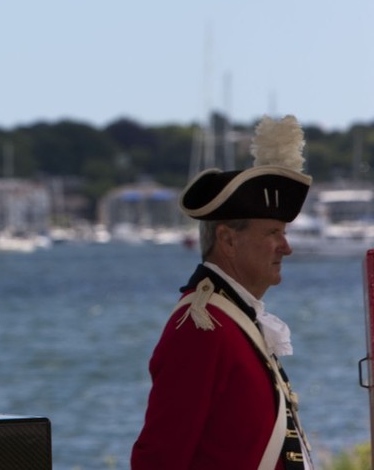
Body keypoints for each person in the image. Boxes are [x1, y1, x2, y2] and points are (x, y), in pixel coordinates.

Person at [131, 115, 314, 470]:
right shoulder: (201, 328)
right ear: (228, 240)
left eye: (284, 233)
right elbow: (159, 459)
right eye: (272, 233)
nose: (286, 247)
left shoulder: (231, 320)